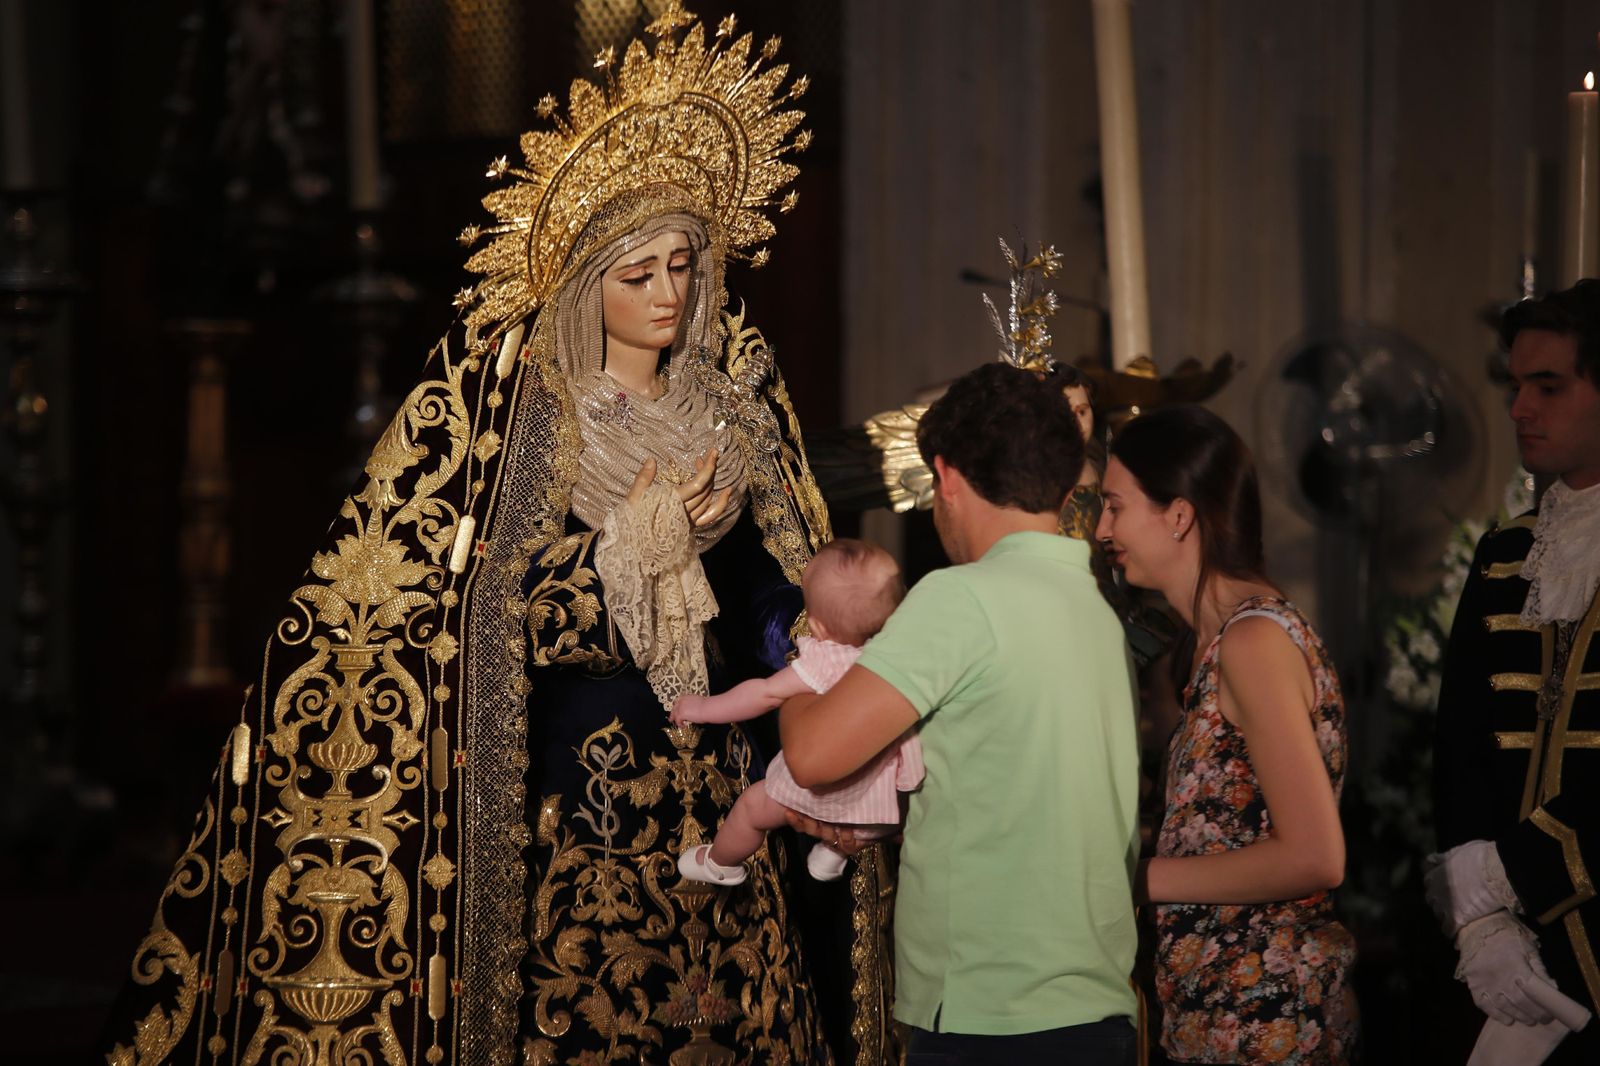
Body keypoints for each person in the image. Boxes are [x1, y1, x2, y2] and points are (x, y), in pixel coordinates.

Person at [101, 8, 896, 1065]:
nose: (669, 294)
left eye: (683, 266)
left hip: (724, 780)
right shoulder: (517, 423)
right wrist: (636, 543)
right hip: (578, 797)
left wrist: (800, 639)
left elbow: (769, 603)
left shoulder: (734, 407)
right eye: (639, 272)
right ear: (584, 283)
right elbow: (461, 612)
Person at [780, 361, 1142, 1065]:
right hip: (1094, 1005)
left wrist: (803, 667)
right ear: (1067, 484)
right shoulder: (1096, 612)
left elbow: (813, 754)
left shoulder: (960, 598)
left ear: (945, 477)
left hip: (993, 1011)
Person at [1096, 404, 1357, 1064]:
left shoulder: (1254, 641)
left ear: (1178, 514)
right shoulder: (1213, 643)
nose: (1103, 530)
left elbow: (1314, 855)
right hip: (1220, 1016)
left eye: (1115, 507)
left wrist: (1132, 878)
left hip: (1266, 1019)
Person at [1428, 278, 1600, 1064]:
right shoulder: (1506, 555)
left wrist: (1507, 874)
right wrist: (1481, 920)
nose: (1519, 408)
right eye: (1515, 385)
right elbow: (1458, 748)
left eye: (1549, 386)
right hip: (1519, 959)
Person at [673, 538, 922, 885]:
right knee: (871, 820)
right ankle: (833, 853)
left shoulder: (825, 660)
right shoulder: (900, 661)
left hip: (817, 793)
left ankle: (719, 862)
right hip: (874, 806)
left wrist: (702, 707)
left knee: (751, 809)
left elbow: (763, 694)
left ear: (817, 627)